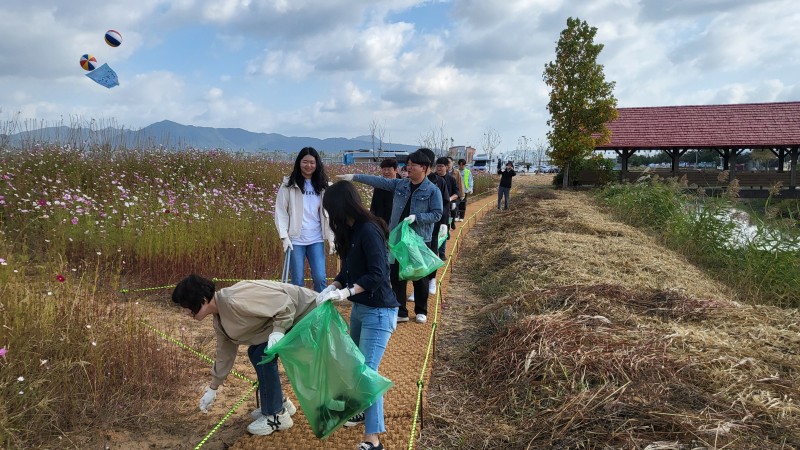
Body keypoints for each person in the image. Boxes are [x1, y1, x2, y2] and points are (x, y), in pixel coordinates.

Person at [171, 275, 317, 436]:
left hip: (306, 313)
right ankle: (278, 403)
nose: (185, 312)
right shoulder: (219, 318)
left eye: (185, 306)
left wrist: (278, 331)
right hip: (290, 317)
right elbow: (224, 353)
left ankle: (277, 415)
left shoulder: (234, 300)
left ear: (203, 300)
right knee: (255, 352)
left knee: (263, 355)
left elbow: (285, 305)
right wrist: (213, 387)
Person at [318, 180, 400, 450]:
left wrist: (346, 293)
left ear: (341, 206)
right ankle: (362, 410)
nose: (329, 216)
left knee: (367, 374)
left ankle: (373, 440)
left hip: (379, 312)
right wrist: (334, 286)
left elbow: (378, 274)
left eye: (330, 209)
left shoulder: (368, 231)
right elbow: (349, 270)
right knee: (353, 365)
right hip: (360, 309)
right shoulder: (350, 232)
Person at [338, 149, 443, 324]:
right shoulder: (400, 185)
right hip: (398, 239)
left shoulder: (432, 190)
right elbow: (378, 182)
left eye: (412, 165)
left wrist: (418, 218)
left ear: (424, 167)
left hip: (418, 240)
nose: (408, 168)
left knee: (419, 276)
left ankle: (421, 310)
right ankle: (401, 310)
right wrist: (354, 177)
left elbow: (437, 214)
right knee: (396, 275)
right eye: (407, 165)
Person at [274, 147, 334, 292]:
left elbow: (330, 213)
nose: (309, 166)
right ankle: (299, 312)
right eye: (305, 162)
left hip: (316, 238)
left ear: (317, 164)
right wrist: (284, 236)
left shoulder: (324, 186)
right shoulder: (288, 185)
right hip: (295, 240)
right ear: (299, 163)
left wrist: (332, 238)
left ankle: (320, 311)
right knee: (297, 279)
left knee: (320, 278)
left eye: (312, 162)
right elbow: (281, 211)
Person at [435, 157, 460, 260]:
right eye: (437, 166)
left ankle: (442, 253)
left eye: (441, 166)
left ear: (446, 167)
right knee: (434, 231)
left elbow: (457, 193)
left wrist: (449, 199)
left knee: (444, 230)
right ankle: (433, 252)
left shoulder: (451, 179)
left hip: (446, 208)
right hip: (433, 208)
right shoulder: (432, 178)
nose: (439, 168)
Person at [369, 158, 401, 227]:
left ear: (396, 170)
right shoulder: (379, 185)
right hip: (381, 222)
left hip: (397, 223)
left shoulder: (401, 185)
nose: (386, 172)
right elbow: (374, 205)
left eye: (389, 169)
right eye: (384, 169)